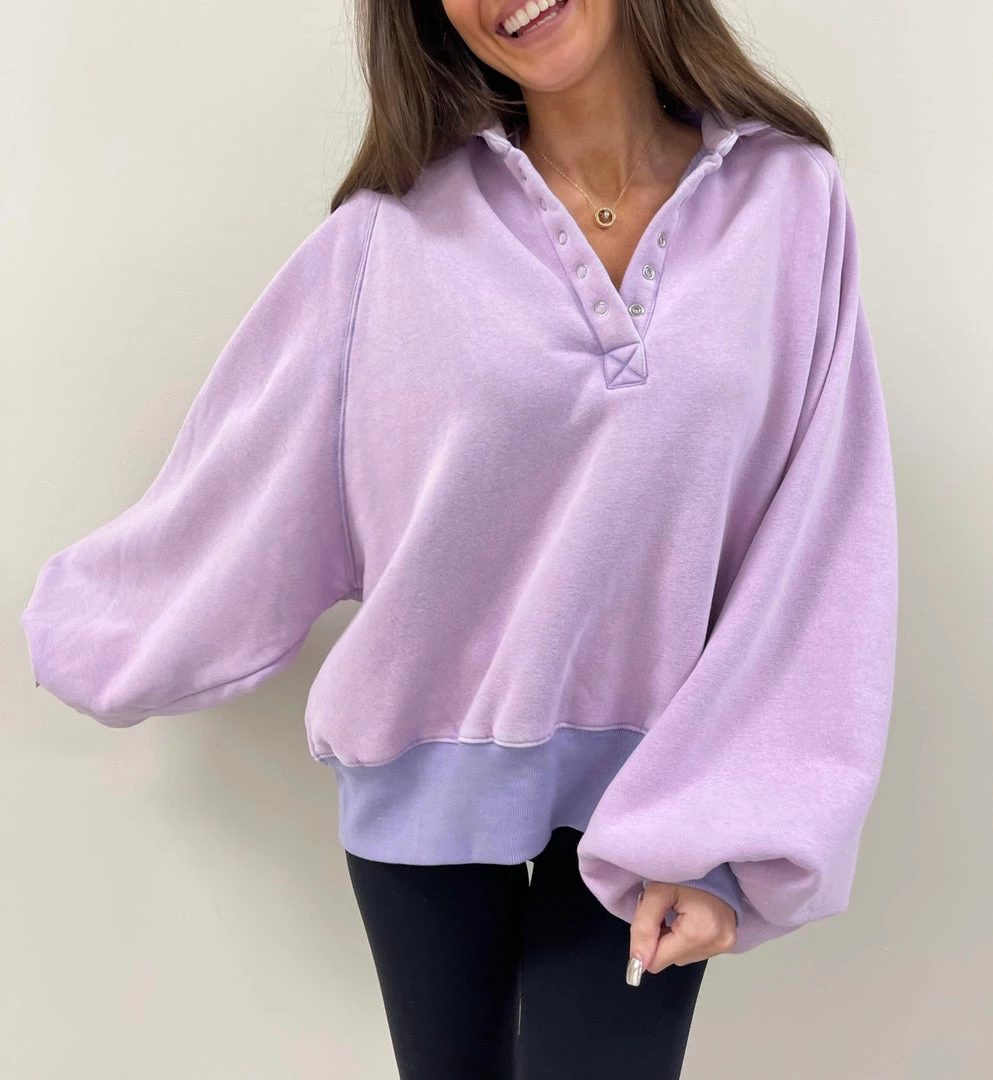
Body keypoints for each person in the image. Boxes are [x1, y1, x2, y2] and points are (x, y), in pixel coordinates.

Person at [20, 0, 899, 1077]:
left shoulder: (790, 200)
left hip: (663, 791)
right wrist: (97, 630)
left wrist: (734, 823)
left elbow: (822, 541)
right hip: (421, 778)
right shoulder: (388, 234)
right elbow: (248, 485)